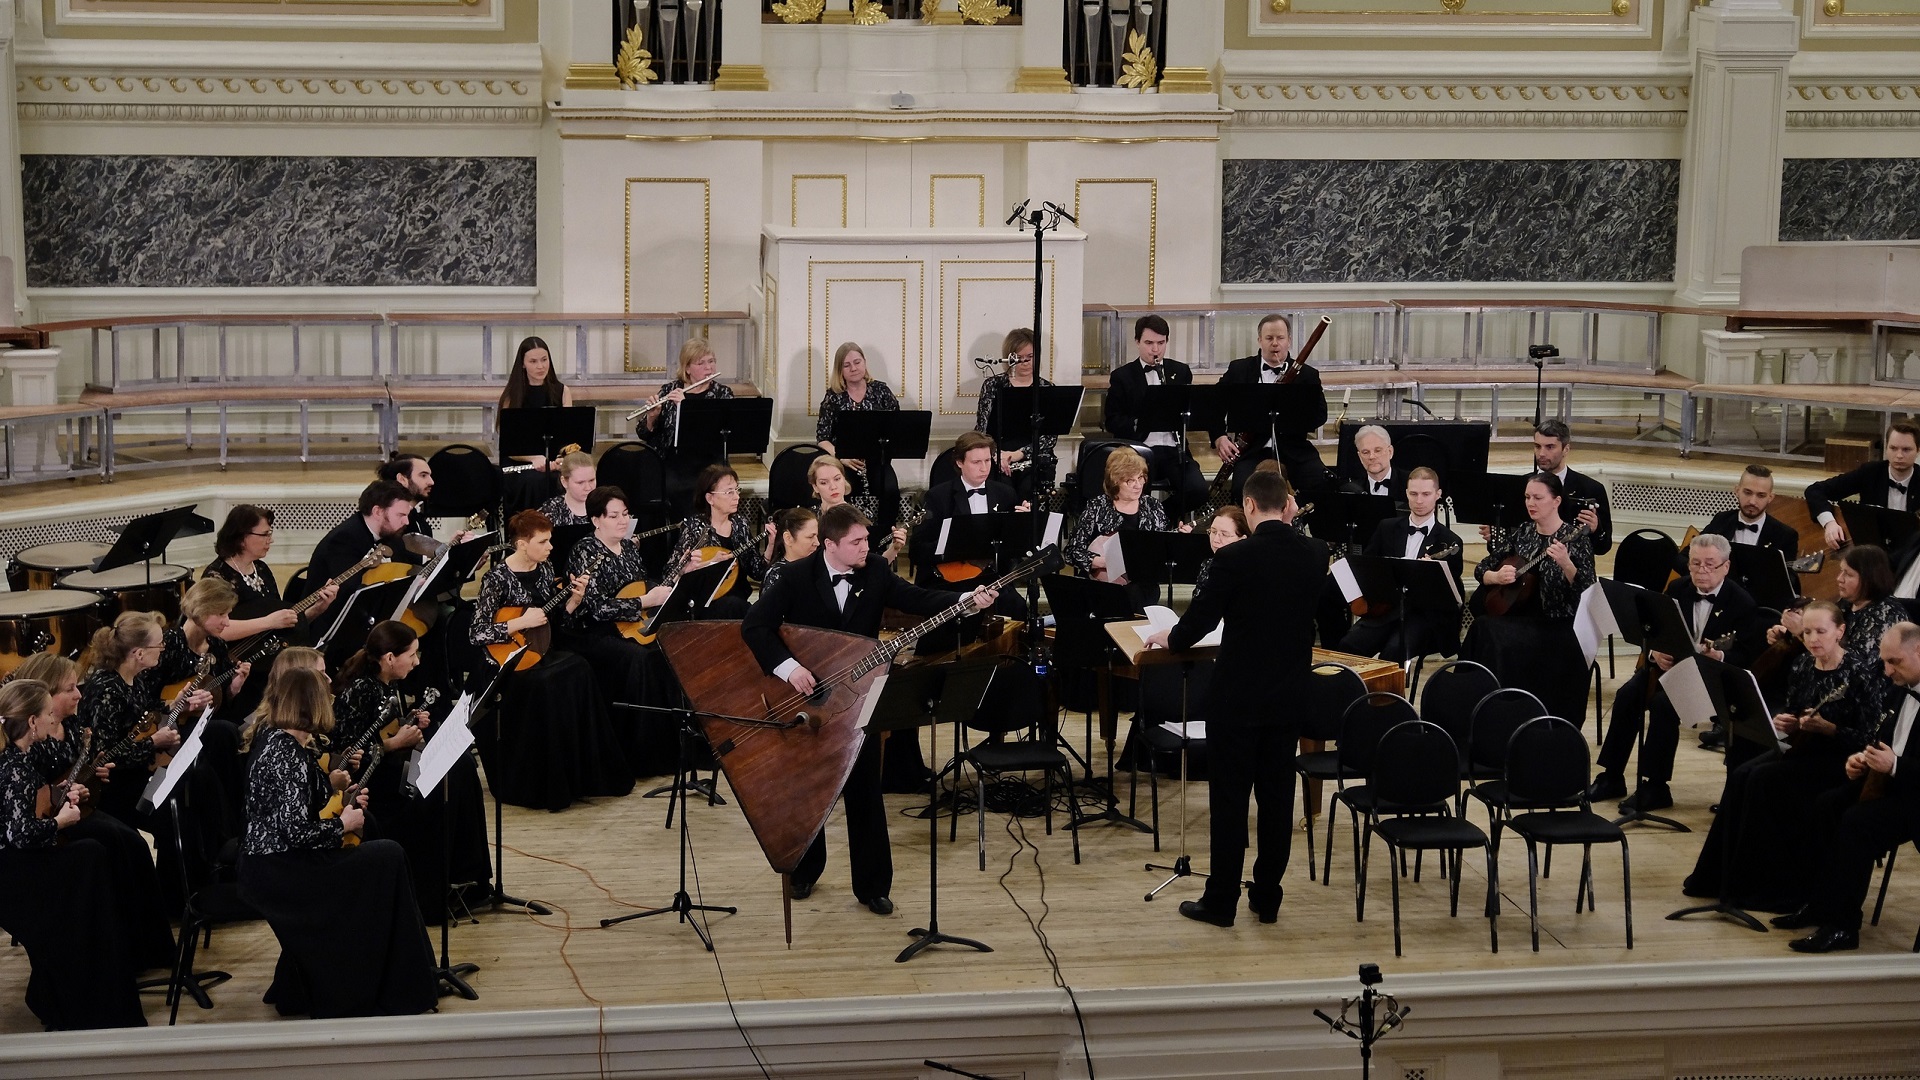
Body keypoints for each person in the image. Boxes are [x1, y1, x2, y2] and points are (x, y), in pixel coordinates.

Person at [743, 504, 1000, 915]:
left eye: (866, 539)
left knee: (864, 790)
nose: (867, 547)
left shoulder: (876, 570)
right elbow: (754, 627)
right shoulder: (794, 577)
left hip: (859, 696)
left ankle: (873, 886)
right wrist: (790, 669)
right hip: (808, 699)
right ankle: (804, 871)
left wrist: (966, 601)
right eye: (857, 541)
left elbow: (917, 598)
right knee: (808, 791)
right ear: (829, 545)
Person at [1144, 469, 1324, 927]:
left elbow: (1201, 620)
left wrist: (1171, 638)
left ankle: (1221, 900)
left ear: (1248, 506)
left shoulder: (1234, 558)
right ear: (1286, 505)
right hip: (1288, 696)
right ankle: (1267, 896)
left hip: (1238, 698)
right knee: (1277, 800)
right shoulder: (1314, 553)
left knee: (1230, 801)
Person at [238, 665, 438, 1017]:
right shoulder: (286, 753)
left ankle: (398, 979)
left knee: (381, 849)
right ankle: (398, 986)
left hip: (278, 861)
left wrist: (339, 794)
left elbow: (297, 806)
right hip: (280, 871)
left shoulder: (282, 740)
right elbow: (296, 832)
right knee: (388, 856)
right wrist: (343, 822)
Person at [1682, 600, 1884, 913]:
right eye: (1807, 632)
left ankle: (1763, 887)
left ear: (1840, 631)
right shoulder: (1803, 665)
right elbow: (1794, 710)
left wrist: (1830, 729)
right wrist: (1787, 721)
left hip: (1840, 760)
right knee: (1741, 775)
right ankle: (1719, 879)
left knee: (1763, 780)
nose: (1813, 639)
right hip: (1803, 750)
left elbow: (1869, 737)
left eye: (1821, 631)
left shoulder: (1860, 673)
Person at [0, 679, 150, 1029]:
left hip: (21, 863)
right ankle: (91, 988)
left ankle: (96, 978)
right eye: (48, 714)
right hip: (15, 876)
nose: (54, 719)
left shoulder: (19, 757)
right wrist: (61, 821)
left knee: (91, 855)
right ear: (32, 722)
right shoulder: (13, 768)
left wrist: (59, 795)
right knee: (90, 860)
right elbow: (19, 834)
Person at [1586, 533, 1767, 812]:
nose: (1701, 570)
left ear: (1726, 567)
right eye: (1695, 563)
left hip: (1713, 679)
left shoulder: (1742, 603)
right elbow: (1653, 631)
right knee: (1628, 694)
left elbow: (1747, 654)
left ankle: (1656, 786)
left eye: (1710, 564)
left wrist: (1719, 655)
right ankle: (1612, 776)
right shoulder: (1677, 589)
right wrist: (1654, 653)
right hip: (1672, 670)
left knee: (1664, 704)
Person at [470, 510, 632, 811]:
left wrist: (574, 601)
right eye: (543, 542)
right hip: (505, 660)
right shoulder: (497, 578)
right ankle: (546, 784)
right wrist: (519, 623)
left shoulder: (544, 569)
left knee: (580, 669)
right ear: (522, 544)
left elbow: (552, 620)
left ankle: (581, 777)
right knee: (547, 684)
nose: (550, 547)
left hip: (540, 648)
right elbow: (477, 633)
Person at [1774, 622, 1920, 953]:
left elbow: (1901, 760)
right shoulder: (1900, 687)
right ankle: (1819, 904)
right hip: (1891, 783)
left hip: (1915, 795)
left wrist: (1894, 765)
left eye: (1894, 662)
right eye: (1884, 661)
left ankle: (1843, 927)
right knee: (1827, 805)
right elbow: (1884, 737)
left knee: (1857, 822)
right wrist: (1864, 758)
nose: (1887, 671)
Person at [331, 620, 491, 920]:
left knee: (463, 766)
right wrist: (395, 743)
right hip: (373, 786)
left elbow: (384, 730)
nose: (417, 661)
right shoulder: (361, 690)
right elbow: (347, 757)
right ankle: (432, 894)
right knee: (442, 785)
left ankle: (468, 876)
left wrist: (408, 724)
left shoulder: (387, 682)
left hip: (391, 769)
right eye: (412, 654)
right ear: (390, 658)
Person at [1464, 472, 1598, 727]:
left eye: (1538, 497)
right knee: (1483, 628)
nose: (1530, 503)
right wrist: (1496, 576)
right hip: (1520, 617)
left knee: (1495, 636)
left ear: (1556, 501)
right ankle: (1478, 706)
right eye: (1527, 497)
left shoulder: (1576, 538)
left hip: (1557, 626)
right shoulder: (1524, 532)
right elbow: (1482, 568)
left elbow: (1589, 592)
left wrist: (1567, 564)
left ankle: (1509, 711)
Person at [564, 485, 676, 776]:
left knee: (668, 647)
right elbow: (596, 607)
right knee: (639, 658)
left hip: (631, 624)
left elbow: (642, 584)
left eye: (625, 514)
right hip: (594, 631)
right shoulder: (585, 551)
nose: (622, 521)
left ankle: (669, 747)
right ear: (596, 520)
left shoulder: (627, 547)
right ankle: (640, 754)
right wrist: (644, 601)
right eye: (613, 516)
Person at [1337, 466, 1465, 663]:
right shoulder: (1387, 527)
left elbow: (1451, 597)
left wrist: (1430, 574)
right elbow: (1366, 567)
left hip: (1422, 616)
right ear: (1406, 493)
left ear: (1438, 495)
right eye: (1413, 494)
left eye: (1426, 494)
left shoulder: (1450, 541)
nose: (1419, 501)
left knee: (1394, 652)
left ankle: (1388, 685)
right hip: (1386, 609)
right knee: (1349, 645)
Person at [1208, 313, 1330, 504]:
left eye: (1280, 338)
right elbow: (1213, 404)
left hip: (1294, 448)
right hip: (1252, 450)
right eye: (1269, 338)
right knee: (1241, 488)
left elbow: (1320, 415)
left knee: (1318, 482)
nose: (1275, 343)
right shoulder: (1240, 369)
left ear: (1289, 340)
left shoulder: (1307, 375)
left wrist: (1295, 413)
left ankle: (1303, 522)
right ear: (1259, 340)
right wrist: (1219, 437)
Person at [1102, 314, 1208, 517]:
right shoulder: (1122, 376)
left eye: (1161, 343)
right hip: (1139, 451)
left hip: (1174, 451)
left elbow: (1189, 409)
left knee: (1198, 491)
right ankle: (1143, 523)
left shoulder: (1180, 371)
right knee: (1135, 492)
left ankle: (1158, 517)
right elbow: (1112, 420)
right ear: (1137, 342)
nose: (1155, 349)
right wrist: (1139, 422)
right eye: (1149, 343)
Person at [1064, 446, 1190, 608]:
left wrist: (1178, 540)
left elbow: (1161, 548)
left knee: (1137, 593)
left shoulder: (1153, 506)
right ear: (1115, 481)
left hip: (1142, 585)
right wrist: (1102, 562)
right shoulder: (1097, 507)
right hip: (1105, 584)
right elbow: (1072, 552)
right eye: (1130, 480)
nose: (1138, 485)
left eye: (1141, 478)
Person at [641, 337, 735, 515]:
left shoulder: (723, 394)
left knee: (713, 487)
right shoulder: (670, 390)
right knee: (666, 487)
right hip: (675, 462)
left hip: (710, 462)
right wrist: (651, 418)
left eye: (711, 361)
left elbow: (713, 433)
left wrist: (685, 407)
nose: (709, 367)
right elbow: (644, 433)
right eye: (701, 363)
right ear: (687, 368)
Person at [664, 464, 768, 619]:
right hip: (708, 605)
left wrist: (771, 544)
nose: (737, 497)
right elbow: (669, 574)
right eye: (729, 492)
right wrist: (711, 564)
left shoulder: (740, 524)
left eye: (737, 490)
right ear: (710, 498)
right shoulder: (695, 527)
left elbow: (757, 572)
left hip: (738, 601)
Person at [1806, 419, 1920, 553]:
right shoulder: (1870, 472)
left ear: (1918, 450)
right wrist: (1829, 523)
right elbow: (1815, 491)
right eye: (1893, 448)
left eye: (1906, 449)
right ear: (1886, 448)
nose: (1899, 455)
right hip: (1870, 554)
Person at [974, 328, 1059, 503]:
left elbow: (1050, 438)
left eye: (1030, 357)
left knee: (1029, 490)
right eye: (1019, 358)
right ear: (1009, 358)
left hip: (1033, 457)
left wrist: (1019, 454)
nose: (1025, 363)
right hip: (999, 456)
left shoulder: (1046, 388)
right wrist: (996, 455)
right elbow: (982, 430)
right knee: (1002, 492)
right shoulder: (993, 385)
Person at [305, 480, 416, 602]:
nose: (406, 522)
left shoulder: (390, 534)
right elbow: (350, 591)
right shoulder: (344, 539)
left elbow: (404, 562)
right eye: (401, 515)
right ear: (378, 512)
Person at [1528, 419, 1614, 556]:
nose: (1541, 453)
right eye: (1537, 446)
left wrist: (1596, 529)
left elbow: (1603, 548)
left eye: (1550, 447)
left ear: (1566, 449)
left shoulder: (1591, 489)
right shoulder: (1520, 485)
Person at [378, 453, 478, 563]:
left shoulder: (420, 521)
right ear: (402, 479)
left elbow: (428, 566)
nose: (431, 482)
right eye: (423, 475)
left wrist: (453, 550)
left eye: (429, 475)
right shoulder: (388, 521)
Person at [1192, 505, 1249, 596]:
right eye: (1213, 532)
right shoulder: (1208, 564)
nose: (1216, 540)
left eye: (1225, 534)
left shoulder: (1248, 571)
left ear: (1242, 539)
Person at [1343, 424, 1406, 505]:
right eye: (1366, 452)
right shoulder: (1351, 490)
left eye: (1377, 450)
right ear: (1360, 457)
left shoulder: (1410, 483)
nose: (1371, 457)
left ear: (1390, 452)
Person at [763, 507, 820, 588]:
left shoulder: (818, 568)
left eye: (817, 536)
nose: (817, 543)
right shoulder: (777, 575)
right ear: (788, 538)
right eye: (810, 537)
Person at [538, 450, 598, 527]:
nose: (588, 488)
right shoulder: (550, 511)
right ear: (564, 482)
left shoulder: (605, 506)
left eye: (591, 480)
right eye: (580, 482)